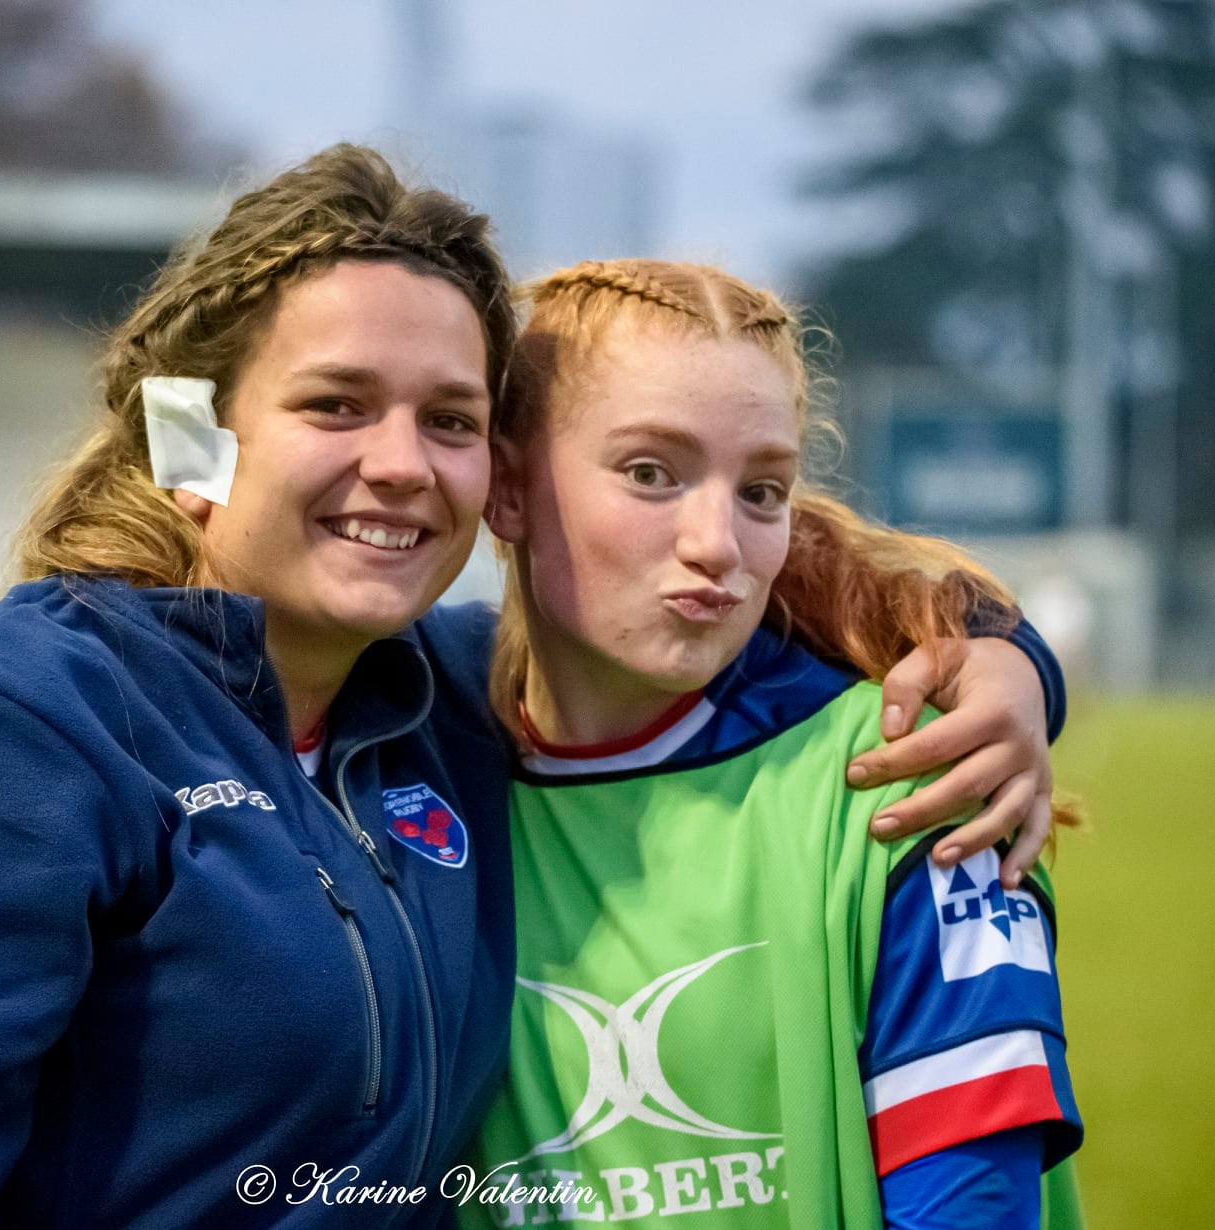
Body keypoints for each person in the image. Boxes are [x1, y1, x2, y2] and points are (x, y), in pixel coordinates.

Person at [0, 148, 1065, 1228]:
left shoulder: (432, 705)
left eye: (447, 419)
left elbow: (712, 567)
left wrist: (998, 656)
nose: (401, 464)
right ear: (188, 433)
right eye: (335, 403)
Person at [455, 259, 1082, 1228]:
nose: (718, 542)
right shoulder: (410, 777)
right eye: (650, 473)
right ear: (507, 488)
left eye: (761, 491)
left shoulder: (910, 789)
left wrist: (1005, 652)